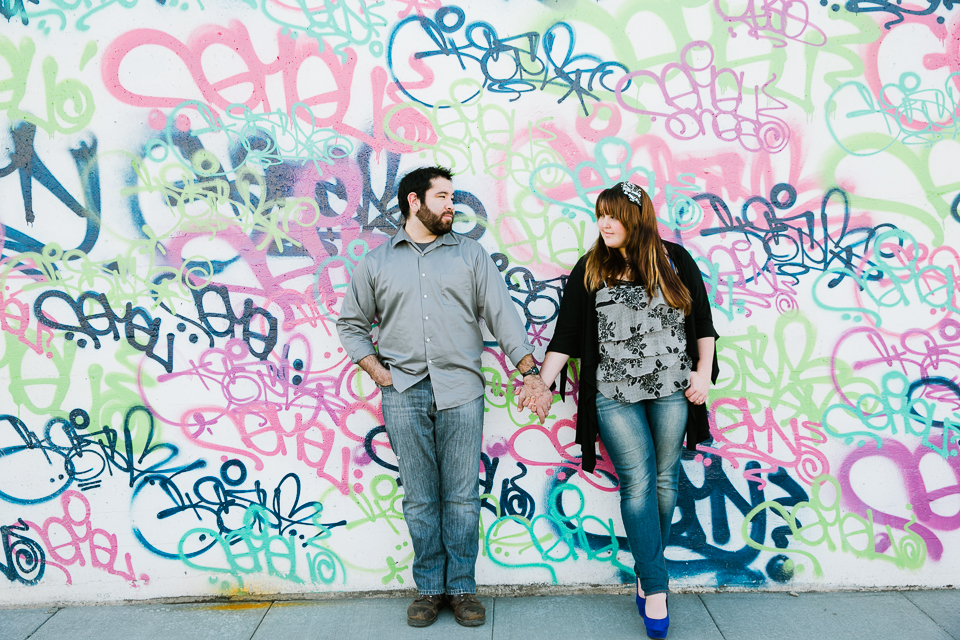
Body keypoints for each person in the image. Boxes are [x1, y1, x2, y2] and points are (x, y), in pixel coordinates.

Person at [336, 166, 549, 628]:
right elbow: (351, 324)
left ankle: (463, 588)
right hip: (403, 392)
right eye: (443, 197)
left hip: (462, 391)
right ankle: (430, 589)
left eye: (452, 198)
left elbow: (502, 317)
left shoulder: (471, 255)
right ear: (414, 201)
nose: (452, 205)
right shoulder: (376, 262)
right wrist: (377, 371)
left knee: (460, 496)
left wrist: (531, 374)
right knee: (419, 496)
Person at [520, 182, 719, 639]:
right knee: (639, 480)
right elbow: (567, 334)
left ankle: (648, 573)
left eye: (614, 216)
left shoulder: (674, 261)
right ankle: (656, 585)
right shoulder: (592, 267)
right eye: (600, 215)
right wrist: (541, 383)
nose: (605, 224)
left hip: (671, 388)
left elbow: (703, 322)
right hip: (613, 394)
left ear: (637, 218)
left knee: (665, 480)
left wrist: (704, 373)